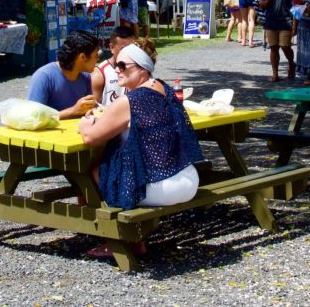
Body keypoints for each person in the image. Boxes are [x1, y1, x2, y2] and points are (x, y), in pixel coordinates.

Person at [78, 40, 203, 256]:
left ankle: (119, 241)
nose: (117, 69)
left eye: (123, 66)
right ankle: (134, 239)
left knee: (98, 172)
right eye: (116, 64)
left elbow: (90, 138)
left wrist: (84, 124)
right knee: (125, 170)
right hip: (189, 178)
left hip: (165, 187)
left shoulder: (128, 100)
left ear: (143, 68)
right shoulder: (163, 88)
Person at [27, 30, 98, 119]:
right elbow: (33, 117)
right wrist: (73, 111)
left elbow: (88, 111)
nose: (98, 59)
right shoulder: (44, 76)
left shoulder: (85, 77)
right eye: (96, 56)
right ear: (82, 57)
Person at [258, 0, 297, 81]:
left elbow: (297, 8)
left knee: (285, 46)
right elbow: (261, 5)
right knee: (274, 48)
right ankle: (275, 73)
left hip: (286, 23)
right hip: (271, 23)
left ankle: (291, 63)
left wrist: (296, 24)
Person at [90, 25, 137, 106]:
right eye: (124, 49)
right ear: (111, 47)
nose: (129, 53)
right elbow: (94, 108)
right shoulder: (99, 74)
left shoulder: (138, 70)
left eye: (132, 49)